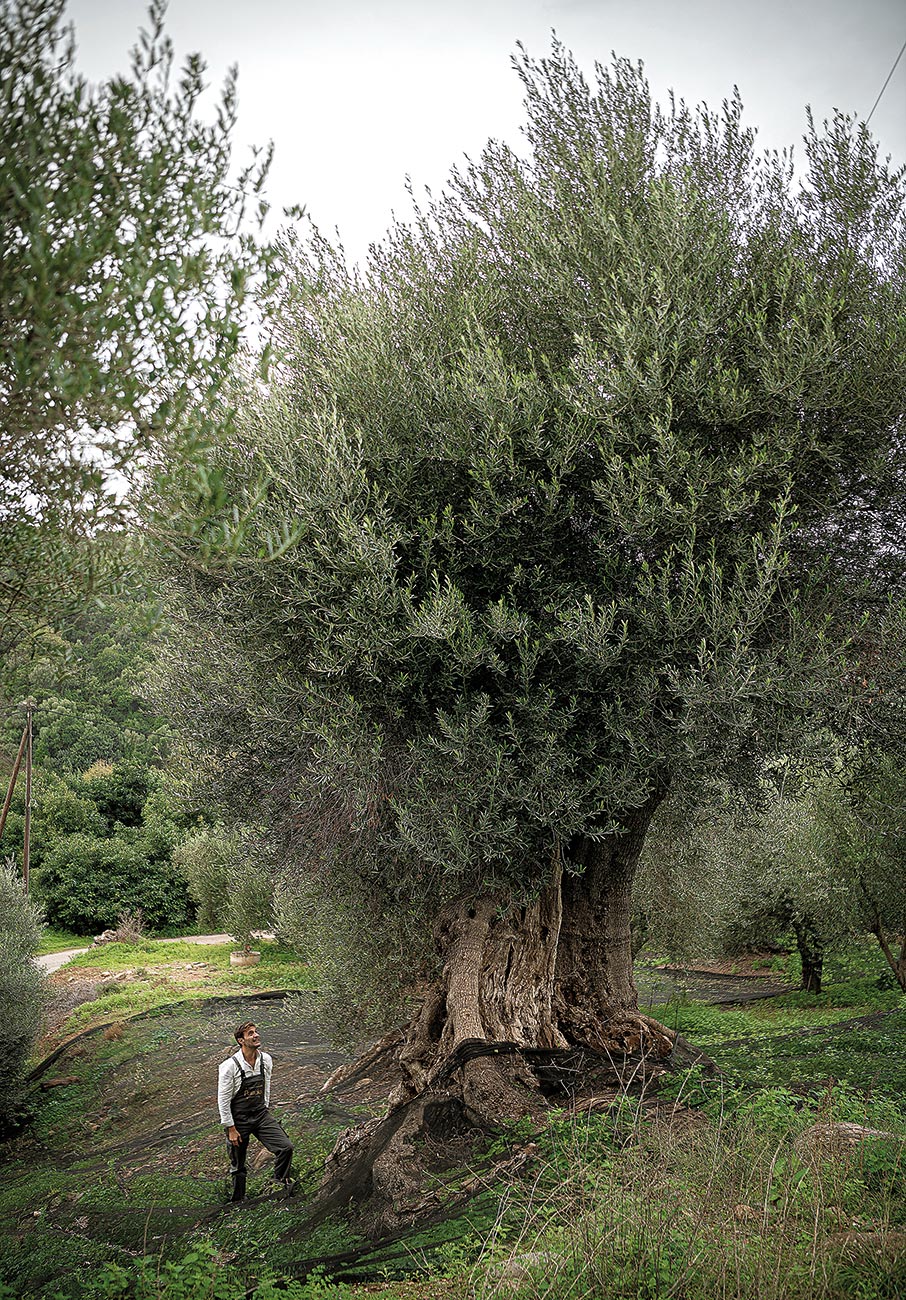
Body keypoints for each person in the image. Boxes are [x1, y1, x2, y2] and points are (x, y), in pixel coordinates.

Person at [217, 1020, 295, 1201]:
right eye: (250, 1033)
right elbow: (223, 1099)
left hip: (260, 1115)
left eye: (256, 1031)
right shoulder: (229, 1066)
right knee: (238, 1165)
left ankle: (278, 1187)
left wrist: (264, 1108)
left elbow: (266, 1086)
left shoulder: (265, 1059)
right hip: (238, 1121)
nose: (256, 1035)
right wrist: (230, 1128)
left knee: (285, 1147)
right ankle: (238, 1201)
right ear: (240, 1041)